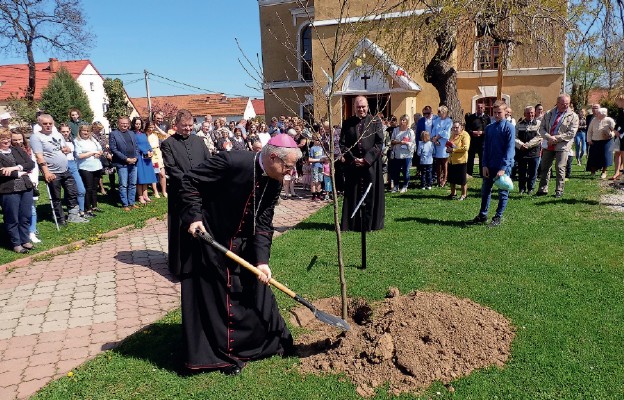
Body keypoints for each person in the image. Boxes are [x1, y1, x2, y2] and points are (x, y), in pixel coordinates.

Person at [179, 133, 301, 375]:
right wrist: (194, 216)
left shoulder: (274, 182)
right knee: (215, 300)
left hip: (241, 244)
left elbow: (264, 223)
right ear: (273, 158)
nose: (290, 173)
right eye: (288, 167)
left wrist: (262, 262)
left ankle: (261, 343)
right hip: (210, 237)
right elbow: (189, 181)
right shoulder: (232, 162)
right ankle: (218, 355)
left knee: (255, 293)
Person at [161, 109, 211, 277]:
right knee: (180, 228)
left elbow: (208, 162)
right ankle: (179, 267)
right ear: (176, 125)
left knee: (200, 226)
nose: (188, 129)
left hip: (201, 192)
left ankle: (201, 263)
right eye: (184, 126)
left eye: (190, 126)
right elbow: (171, 168)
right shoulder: (168, 143)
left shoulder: (199, 141)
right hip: (180, 193)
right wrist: (190, 181)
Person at [30, 114, 88, 224]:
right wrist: (46, 173)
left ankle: (73, 215)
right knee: (56, 197)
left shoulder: (57, 134)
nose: (48, 126)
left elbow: (63, 147)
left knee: (72, 192)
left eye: (50, 123)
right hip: (52, 172)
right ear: (40, 124)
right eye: (45, 124)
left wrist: (66, 149)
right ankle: (60, 218)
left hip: (65, 169)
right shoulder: (36, 137)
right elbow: (39, 156)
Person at [339, 95, 385, 231]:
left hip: (371, 165)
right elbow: (342, 144)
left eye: (363, 107)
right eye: (358, 107)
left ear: (367, 107)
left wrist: (366, 159)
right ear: (354, 108)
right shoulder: (347, 123)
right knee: (353, 194)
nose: (361, 109)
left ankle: (370, 224)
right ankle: (352, 224)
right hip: (353, 166)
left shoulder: (375, 121)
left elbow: (379, 143)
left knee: (371, 194)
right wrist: (353, 159)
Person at [470, 101, 515, 227]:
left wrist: (503, 168)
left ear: (505, 112)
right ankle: (482, 215)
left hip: (503, 167)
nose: (496, 115)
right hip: (490, 165)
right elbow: (486, 148)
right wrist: (484, 164)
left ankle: (498, 216)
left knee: (502, 192)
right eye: (494, 112)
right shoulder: (489, 128)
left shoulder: (509, 127)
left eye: (499, 112)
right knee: (485, 191)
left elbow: (510, 149)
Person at [536, 94, 579, 197]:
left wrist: (556, 138)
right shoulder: (549, 114)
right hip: (548, 143)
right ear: (557, 103)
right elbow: (541, 129)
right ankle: (543, 189)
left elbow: (571, 133)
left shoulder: (573, 116)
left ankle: (559, 190)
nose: (565, 106)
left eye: (567, 104)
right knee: (545, 167)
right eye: (563, 104)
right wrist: (549, 137)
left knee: (560, 167)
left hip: (563, 145)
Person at [0, 128, 35, 253]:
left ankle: (25, 240)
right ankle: (16, 243)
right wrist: (19, 174)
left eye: (7, 138)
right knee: (12, 217)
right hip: (8, 189)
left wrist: (15, 168)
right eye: (2, 138)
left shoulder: (17, 150)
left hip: (26, 187)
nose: (6, 140)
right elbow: (2, 172)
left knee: (25, 215)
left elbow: (30, 164)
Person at [11, 128, 41, 243]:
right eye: (15, 140)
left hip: (30, 181)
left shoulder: (28, 150)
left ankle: (32, 231)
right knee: (18, 210)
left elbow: (33, 166)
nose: (18, 142)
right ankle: (21, 233)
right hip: (16, 182)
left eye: (20, 139)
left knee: (31, 208)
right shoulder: (10, 151)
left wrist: (34, 181)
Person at [109, 116, 139, 211]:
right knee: (123, 184)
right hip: (122, 163)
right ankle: (125, 204)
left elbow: (136, 147)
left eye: (126, 123)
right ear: (118, 124)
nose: (124, 125)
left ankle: (132, 202)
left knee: (133, 184)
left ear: (129, 124)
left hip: (133, 162)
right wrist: (126, 159)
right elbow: (113, 149)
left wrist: (136, 157)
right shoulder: (113, 134)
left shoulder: (131, 133)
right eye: (122, 123)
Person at [74, 124, 103, 216]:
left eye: (87, 131)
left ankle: (94, 205)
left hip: (96, 166)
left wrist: (99, 153)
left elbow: (100, 149)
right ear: (80, 131)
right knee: (88, 188)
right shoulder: (77, 141)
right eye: (84, 131)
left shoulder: (92, 139)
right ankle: (88, 208)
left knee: (95, 187)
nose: (86, 132)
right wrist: (92, 152)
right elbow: (79, 155)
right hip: (85, 167)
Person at [59, 123, 88, 218]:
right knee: (68, 191)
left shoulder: (72, 140)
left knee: (81, 190)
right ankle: (70, 212)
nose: (65, 133)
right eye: (63, 131)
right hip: (62, 165)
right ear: (59, 132)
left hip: (73, 165)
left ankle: (81, 211)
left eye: (67, 131)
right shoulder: (57, 141)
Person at [515, 106, 542, 194]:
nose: (530, 115)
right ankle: (521, 188)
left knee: (533, 172)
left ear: (534, 113)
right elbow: (514, 137)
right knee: (522, 171)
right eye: (527, 113)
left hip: (534, 152)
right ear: (524, 114)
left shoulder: (538, 124)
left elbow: (539, 136)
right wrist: (521, 145)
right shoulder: (519, 124)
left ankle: (531, 188)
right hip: (521, 151)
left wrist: (528, 145)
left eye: (531, 113)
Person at [131, 117, 157, 204]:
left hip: (146, 158)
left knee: (146, 177)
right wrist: (145, 151)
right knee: (140, 177)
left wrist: (150, 151)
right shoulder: (132, 134)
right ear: (134, 124)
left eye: (139, 124)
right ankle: (140, 196)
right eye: (136, 124)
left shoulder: (143, 134)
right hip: (139, 157)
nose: (138, 125)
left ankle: (145, 195)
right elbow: (136, 145)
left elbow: (147, 143)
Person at [586, 107, 616, 179]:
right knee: (593, 157)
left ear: (603, 114)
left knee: (605, 157)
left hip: (606, 141)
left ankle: (604, 172)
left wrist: (611, 135)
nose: (596, 114)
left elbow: (614, 130)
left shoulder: (609, 120)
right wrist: (589, 140)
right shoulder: (594, 120)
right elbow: (589, 131)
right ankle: (592, 172)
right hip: (595, 141)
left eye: (598, 113)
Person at [389, 114, 415, 193]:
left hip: (407, 154)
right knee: (396, 171)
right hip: (397, 154)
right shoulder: (396, 130)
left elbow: (413, 143)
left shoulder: (410, 131)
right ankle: (396, 186)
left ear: (407, 122)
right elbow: (392, 141)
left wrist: (406, 143)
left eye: (404, 120)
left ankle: (405, 185)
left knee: (405, 171)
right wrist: (400, 142)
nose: (402, 121)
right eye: (401, 120)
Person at [465, 102, 491, 177]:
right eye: (478, 107)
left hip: (482, 141)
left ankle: (482, 173)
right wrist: (472, 132)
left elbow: (489, 129)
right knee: (471, 157)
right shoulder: (471, 117)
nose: (480, 109)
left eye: (481, 108)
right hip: (472, 140)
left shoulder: (487, 118)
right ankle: (469, 173)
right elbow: (467, 128)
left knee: (482, 157)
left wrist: (482, 132)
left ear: (484, 109)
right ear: (476, 108)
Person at [446, 122, 471, 200]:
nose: (455, 129)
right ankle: (453, 193)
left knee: (462, 179)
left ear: (461, 128)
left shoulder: (465, 135)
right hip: (452, 160)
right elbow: (450, 144)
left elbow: (465, 148)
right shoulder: (452, 135)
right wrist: (448, 149)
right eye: (453, 127)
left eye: (457, 127)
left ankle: (464, 195)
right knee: (451, 179)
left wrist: (453, 150)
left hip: (461, 160)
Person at [92, 121, 115, 195]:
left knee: (111, 172)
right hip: (99, 156)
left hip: (107, 155)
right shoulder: (92, 137)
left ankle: (113, 187)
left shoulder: (103, 136)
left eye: (100, 129)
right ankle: (102, 188)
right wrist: (105, 153)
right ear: (94, 128)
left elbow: (106, 144)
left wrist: (109, 153)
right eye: (98, 129)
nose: (99, 130)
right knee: (100, 173)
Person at [431, 106, 453, 187]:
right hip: (437, 143)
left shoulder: (449, 121)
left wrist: (437, 137)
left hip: (444, 143)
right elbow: (433, 131)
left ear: (444, 112)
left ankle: (444, 179)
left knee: (444, 162)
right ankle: (438, 179)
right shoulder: (436, 120)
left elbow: (446, 132)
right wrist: (434, 139)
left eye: (439, 112)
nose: (438, 113)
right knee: (438, 162)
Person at [145, 120, 163, 198]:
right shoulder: (145, 135)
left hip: (158, 153)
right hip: (151, 154)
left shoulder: (156, 133)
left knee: (162, 173)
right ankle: (155, 191)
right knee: (155, 173)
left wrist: (157, 128)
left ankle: (164, 190)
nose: (151, 129)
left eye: (153, 127)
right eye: (150, 127)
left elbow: (165, 135)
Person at [308, 134, 325, 201]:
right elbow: (310, 159)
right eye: (317, 140)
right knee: (314, 181)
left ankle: (319, 194)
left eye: (319, 139)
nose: (318, 141)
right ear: (314, 140)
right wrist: (318, 160)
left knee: (320, 181)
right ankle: (313, 195)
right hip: (315, 166)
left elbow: (323, 157)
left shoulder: (321, 148)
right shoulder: (312, 148)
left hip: (321, 166)